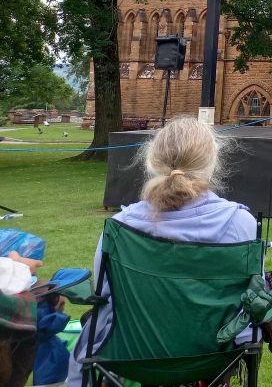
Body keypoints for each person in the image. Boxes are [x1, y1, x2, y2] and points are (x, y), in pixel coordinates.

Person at [67, 117, 257, 387]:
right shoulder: (242, 224)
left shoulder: (121, 228)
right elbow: (250, 300)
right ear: (212, 162)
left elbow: (104, 291)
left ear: (152, 161)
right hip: (213, 358)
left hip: (132, 357)